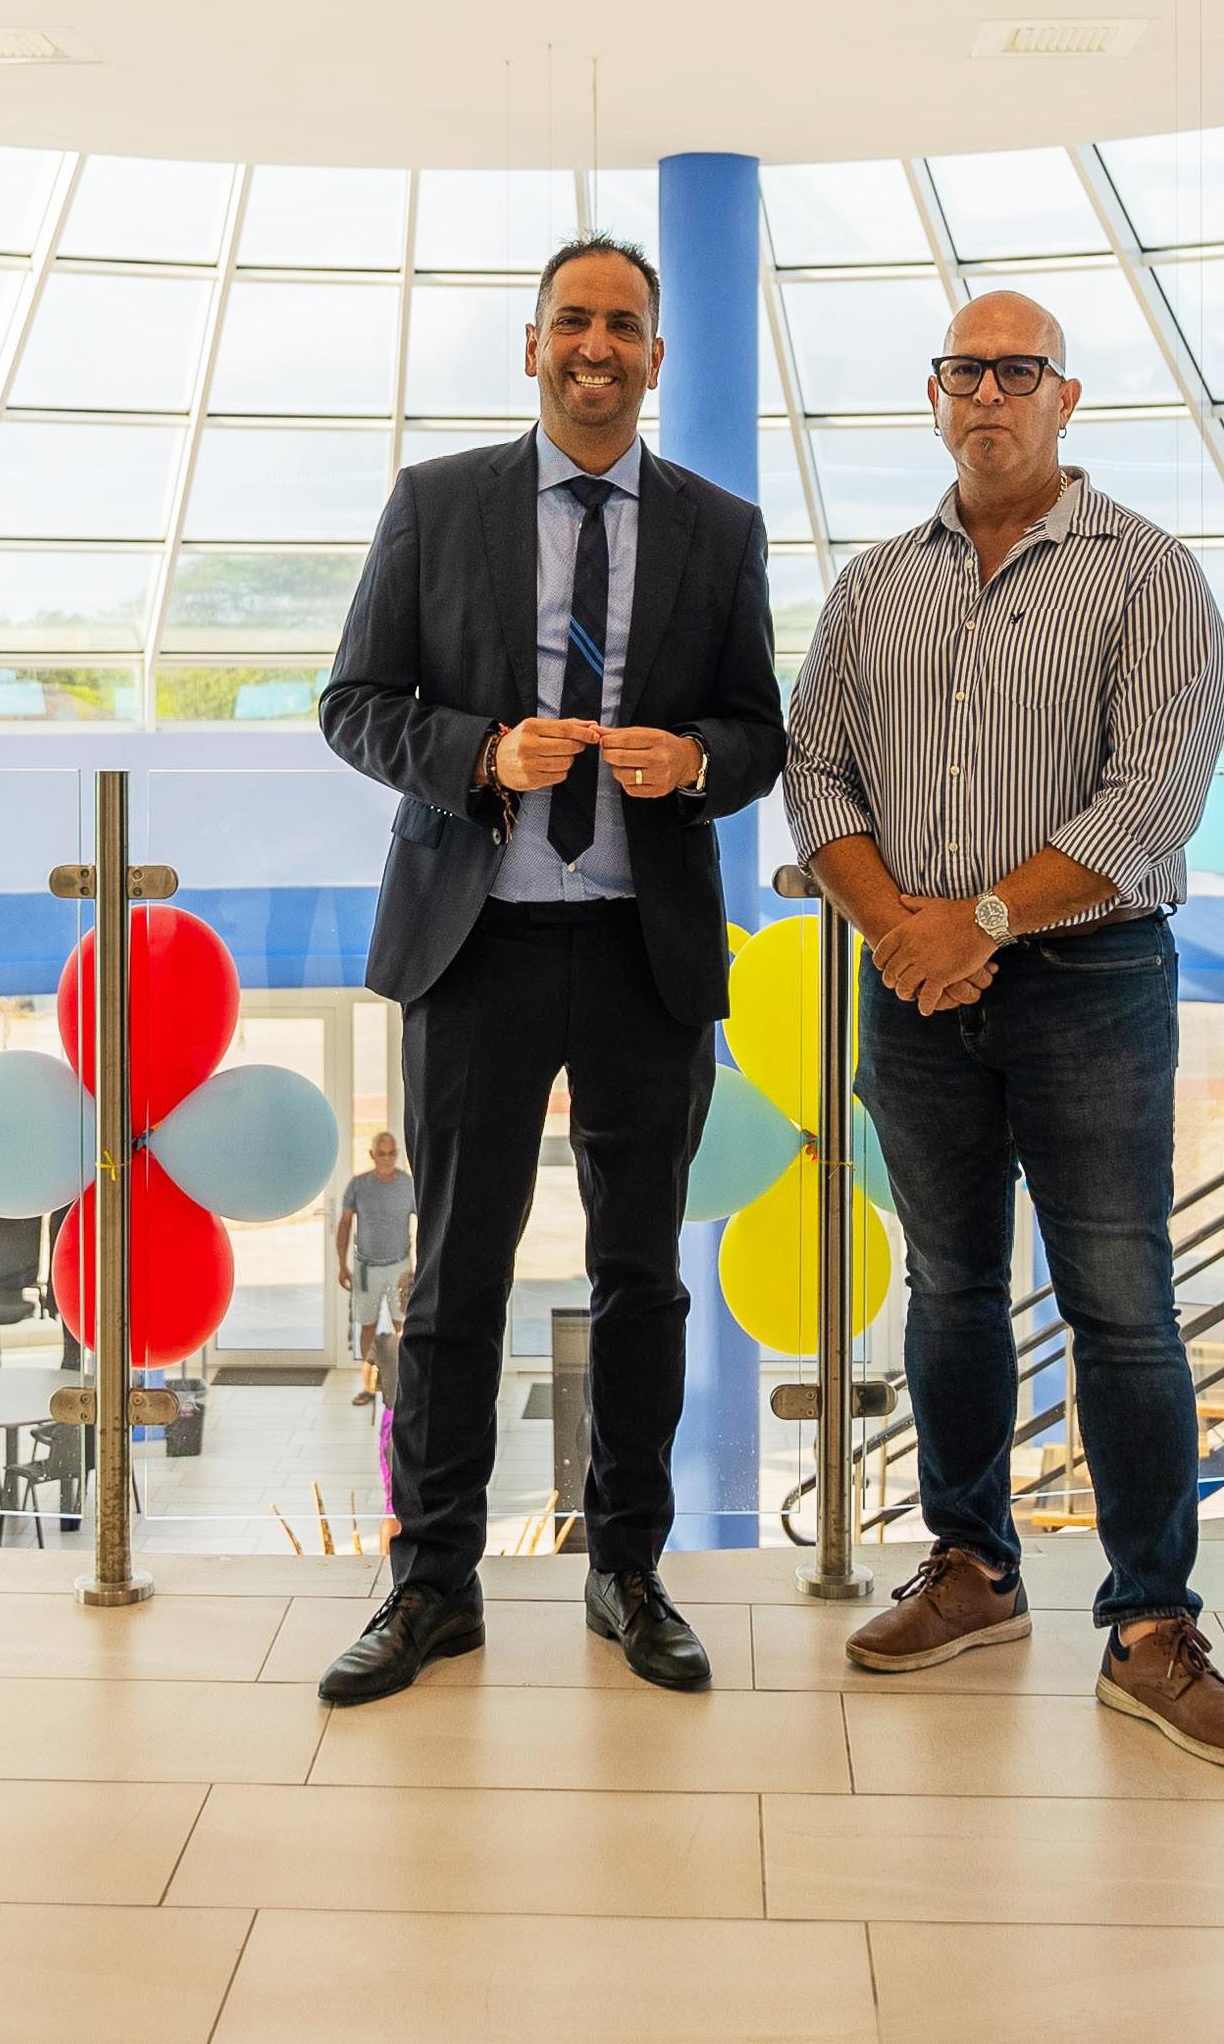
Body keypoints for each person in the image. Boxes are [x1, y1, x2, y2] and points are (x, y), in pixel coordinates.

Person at [780, 288, 1224, 1770]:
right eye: (964, 370)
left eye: (1017, 370)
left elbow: (1151, 798)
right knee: (947, 1286)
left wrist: (978, 920)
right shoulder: (873, 586)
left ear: (1065, 398)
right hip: (911, 984)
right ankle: (972, 1569)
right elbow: (814, 771)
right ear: (935, 398)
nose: (987, 392)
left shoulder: (1147, 574)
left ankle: (1151, 1623)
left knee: (1120, 1299)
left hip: (1089, 981)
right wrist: (902, 927)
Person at [314, 232, 786, 1702]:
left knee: (642, 1276)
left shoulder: (720, 528)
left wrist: (692, 760)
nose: (597, 346)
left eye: (623, 325)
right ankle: (430, 1583)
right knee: (455, 1272)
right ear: (532, 345)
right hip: (479, 943)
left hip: (646, 948)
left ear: (656, 357)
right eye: (573, 320)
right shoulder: (435, 501)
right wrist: (481, 754)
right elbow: (352, 702)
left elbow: (757, 733)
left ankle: (627, 1571)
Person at [334, 1130, 417, 1405]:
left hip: (399, 1268)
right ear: (372, 1154)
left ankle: (404, 1384)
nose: (387, 1158)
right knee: (367, 1326)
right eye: (381, 1153)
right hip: (366, 1268)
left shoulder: (408, 1185)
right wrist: (341, 1265)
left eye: (391, 1153)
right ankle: (368, 1387)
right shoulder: (358, 1185)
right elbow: (344, 1224)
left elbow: (427, 1221)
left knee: (403, 1325)